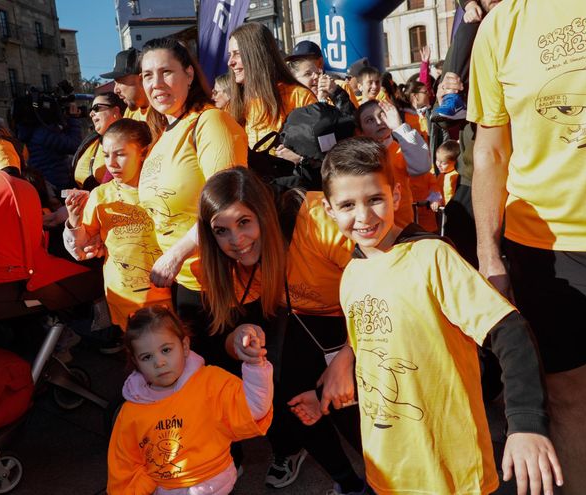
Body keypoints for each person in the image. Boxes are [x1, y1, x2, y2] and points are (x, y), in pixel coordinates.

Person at [468, 1, 586, 493]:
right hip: (545, 254)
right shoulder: (501, 25)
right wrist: (489, 257)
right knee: (565, 400)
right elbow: (490, 150)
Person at [314, 136, 562, 495]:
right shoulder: (351, 273)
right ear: (329, 210)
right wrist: (342, 364)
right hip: (388, 469)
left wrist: (526, 423)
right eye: (348, 204)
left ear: (396, 195)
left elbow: (510, 332)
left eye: (375, 199)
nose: (364, 216)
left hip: (452, 471)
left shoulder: (432, 257)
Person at [198, 167, 367, 494]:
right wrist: (241, 339)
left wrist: (348, 357)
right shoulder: (226, 262)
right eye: (222, 231)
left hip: (369, 316)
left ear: (263, 213)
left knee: (345, 401)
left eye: (244, 222)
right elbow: (225, 337)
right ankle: (348, 483)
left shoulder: (318, 222)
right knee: (291, 394)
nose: (236, 241)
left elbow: (387, 286)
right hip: (308, 321)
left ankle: (398, 480)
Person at [136, 37, 247, 341]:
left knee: (230, 381)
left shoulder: (210, 122)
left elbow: (228, 206)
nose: (156, 83)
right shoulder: (163, 133)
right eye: (147, 75)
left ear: (188, 74)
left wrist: (176, 254)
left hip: (221, 283)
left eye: (166, 72)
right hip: (183, 282)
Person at [107, 306, 273, 494]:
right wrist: (145, 487)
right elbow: (125, 465)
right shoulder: (132, 411)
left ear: (184, 346)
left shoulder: (210, 382)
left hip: (219, 483)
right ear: (136, 362)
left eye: (166, 350)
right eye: (147, 357)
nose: (159, 362)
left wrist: (255, 365)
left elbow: (254, 408)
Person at [63, 118, 171, 333]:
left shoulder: (164, 190)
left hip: (167, 294)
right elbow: (83, 249)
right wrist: (74, 221)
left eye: (120, 154)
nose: (110, 163)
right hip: (123, 295)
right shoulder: (101, 195)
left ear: (143, 152)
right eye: (105, 155)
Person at [226, 22, 317, 149]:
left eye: (237, 53)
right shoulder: (232, 106)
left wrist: (300, 158)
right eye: (230, 54)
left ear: (257, 55)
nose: (230, 62)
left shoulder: (298, 97)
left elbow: (321, 151)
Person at [354, 99, 432, 227]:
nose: (379, 122)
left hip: (401, 229)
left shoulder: (400, 148)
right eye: (370, 120)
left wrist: (398, 127)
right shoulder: (358, 156)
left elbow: (422, 166)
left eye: (382, 115)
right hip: (370, 228)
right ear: (360, 131)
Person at [13, 91, 82, 193]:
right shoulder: (43, 134)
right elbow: (75, 146)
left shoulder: (28, 132)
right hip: (57, 186)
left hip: (46, 184)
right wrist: (74, 120)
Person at [72, 92, 126, 190]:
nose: (91, 114)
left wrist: (92, 196)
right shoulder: (91, 140)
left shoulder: (129, 142)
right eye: (90, 110)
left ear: (115, 111)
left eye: (96, 108)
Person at [102, 48, 151, 122]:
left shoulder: (163, 109)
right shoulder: (130, 113)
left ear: (141, 79)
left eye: (119, 81)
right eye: (115, 83)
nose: (115, 90)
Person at [434, 139, 460, 209]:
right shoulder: (441, 176)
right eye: (437, 160)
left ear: (455, 162)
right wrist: (436, 200)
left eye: (443, 163)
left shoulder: (457, 176)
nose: (438, 165)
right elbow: (437, 191)